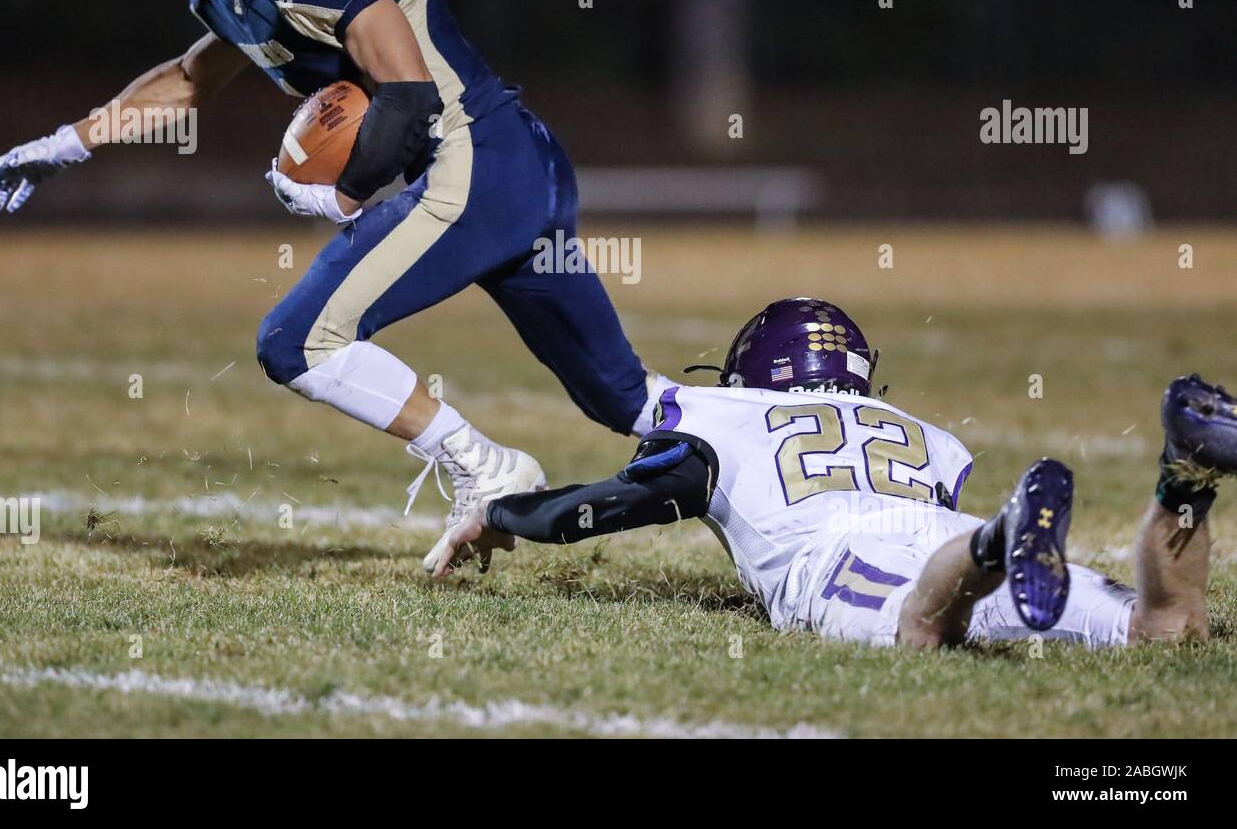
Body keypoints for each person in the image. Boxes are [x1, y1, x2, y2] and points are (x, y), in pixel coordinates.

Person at [0, 0, 672, 563]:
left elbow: (406, 91)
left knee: (297, 343)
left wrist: (337, 193)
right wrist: (62, 144)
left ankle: (487, 468)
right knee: (628, 399)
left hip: (472, 158)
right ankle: (782, 445)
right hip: (510, 169)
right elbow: (187, 81)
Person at [431, 297, 1234, 648]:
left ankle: (1000, 542)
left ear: (754, 368)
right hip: (937, 527)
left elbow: (599, 510)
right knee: (1162, 634)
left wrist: (504, 513)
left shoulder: (726, 416)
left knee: (923, 628)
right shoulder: (921, 433)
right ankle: (1187, 479)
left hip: (843, 556)